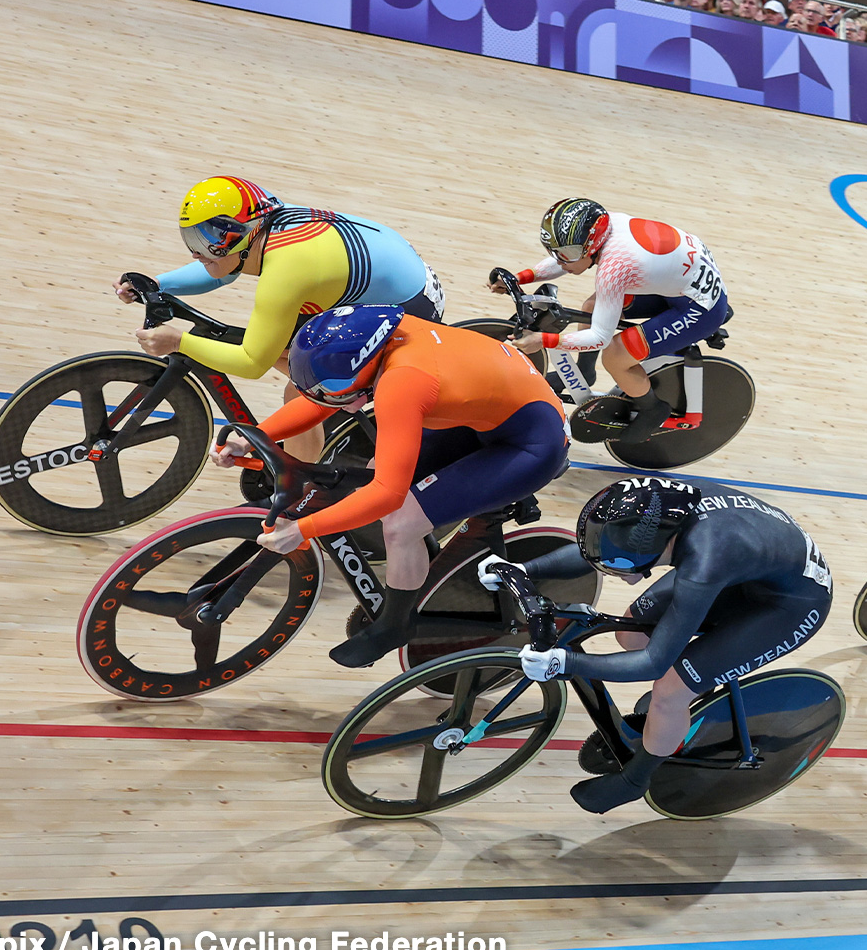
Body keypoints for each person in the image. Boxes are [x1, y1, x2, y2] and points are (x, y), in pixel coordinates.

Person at [215, 306, 568, 669]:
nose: (334, 392)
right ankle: (421, 550)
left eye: (339, 385)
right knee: (375, 470)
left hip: (533, 443)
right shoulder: (381, 335)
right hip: (491, 408)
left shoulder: (401, 382)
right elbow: (324, 398)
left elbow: (387, 494)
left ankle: (395, 624)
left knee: (400, 523)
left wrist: (302, 530)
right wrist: (254, 438)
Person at [481, 476, 832, 813]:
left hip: (792, 603)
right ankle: (691, 685)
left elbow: (651, 664)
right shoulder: (663, 507)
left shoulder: (703, 562)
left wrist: (565, 663)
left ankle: (635, 780)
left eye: (621, 566)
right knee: (631, 632)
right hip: (748, 566)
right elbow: (599, 550)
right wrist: (522, 568)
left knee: (669, 690)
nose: (617, 573)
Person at [118, 176, 445, 468]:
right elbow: (219, 270)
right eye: (192, 238)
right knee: (284, 346)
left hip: (408, 307)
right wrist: (159, 283)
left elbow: (251, 362)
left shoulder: (287, 267)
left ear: (242, 231)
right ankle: (337, 407)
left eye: (207, 239)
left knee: (302, 389)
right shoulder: (263, 220)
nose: (196, 251)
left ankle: (299, 490)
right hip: (383, 281)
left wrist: (178, 342)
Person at [492, 199, 729, 442]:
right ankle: (584, 372)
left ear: (592, 247)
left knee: (616, 355)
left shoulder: (615, 267)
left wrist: (544, 340)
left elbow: (599, 338)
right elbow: (565, 259)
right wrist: (519, 278)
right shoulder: (599, 225)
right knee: (593, 307)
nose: (561, 261)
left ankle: (653, 409)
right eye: (556, 252)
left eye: (567, 254)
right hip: (680, 284)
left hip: (701, 307)